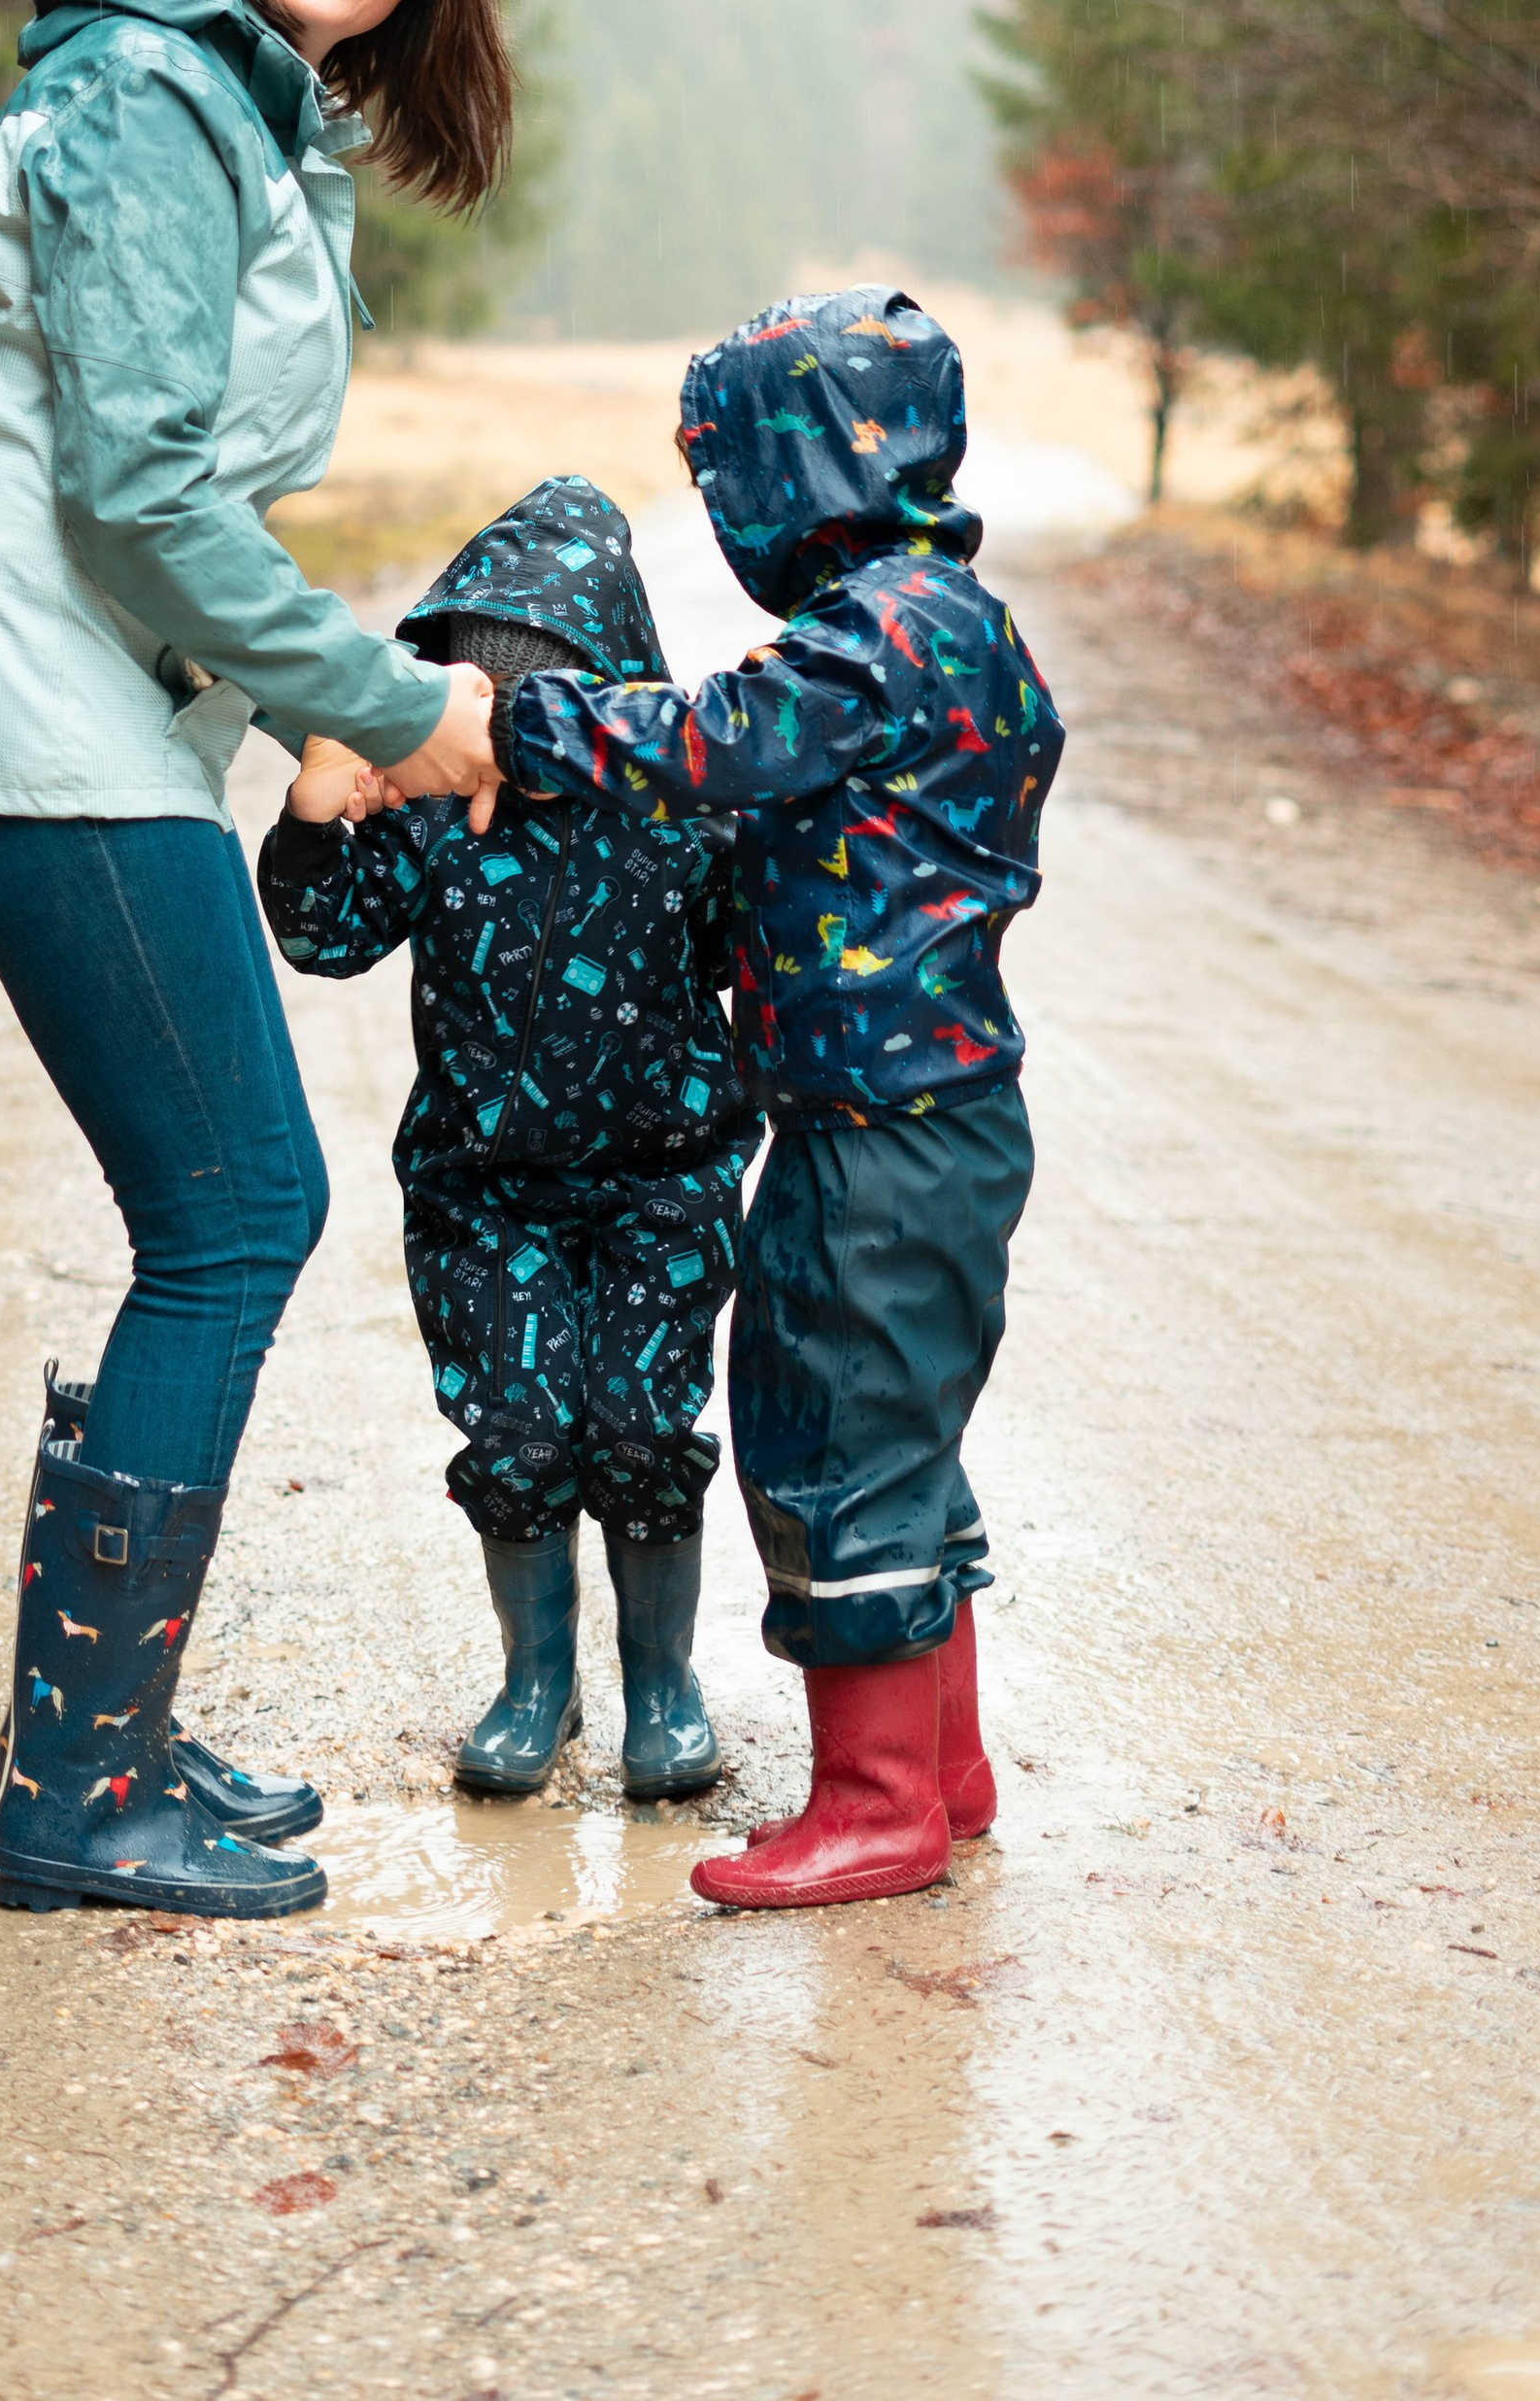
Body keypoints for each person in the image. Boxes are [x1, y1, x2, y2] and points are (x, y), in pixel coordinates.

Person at [0, 0, 513, 1919]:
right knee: (233, 1211)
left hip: (79, 716)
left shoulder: (225, 95)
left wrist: (297, 703)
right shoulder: (150, 97)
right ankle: (76, 1800)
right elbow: (132, 491)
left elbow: (165, 477)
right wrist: (385, 703)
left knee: (214, 1211)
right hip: (34, 725)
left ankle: (104, 1742)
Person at [484, 289, 1064, 1911]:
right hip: (942, 1115)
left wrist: (514, 721)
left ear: (797, 473)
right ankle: (942, 1770)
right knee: (910, 1430)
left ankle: (876, 1805)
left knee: (829, 1426)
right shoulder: (961, 623)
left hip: (872, 1131)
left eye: (729, 472)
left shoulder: (876, 636)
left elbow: (715, 741)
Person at [254, 479, 756, 1800]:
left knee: (644, 1434)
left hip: (666, 1179)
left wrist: (777, 792)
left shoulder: (682, 816)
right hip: (487, 1193)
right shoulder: (425, 821)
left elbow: (755, 958)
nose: (515, 744)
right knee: (518, 1444)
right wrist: (321, 801)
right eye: (486, 708)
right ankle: (538, 1683)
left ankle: (664, 1686)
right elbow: (324, 938)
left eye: (549, 710)